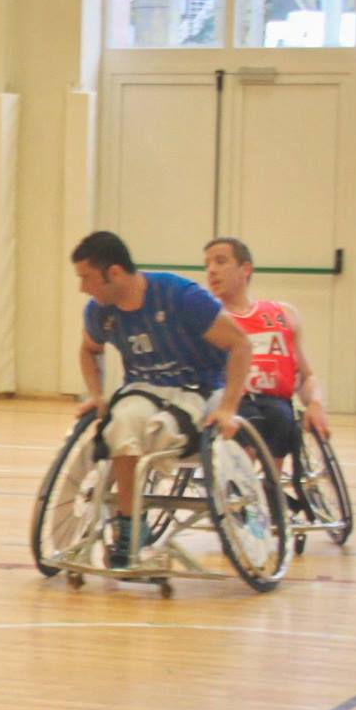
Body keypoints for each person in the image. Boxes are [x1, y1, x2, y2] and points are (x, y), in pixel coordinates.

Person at [72, 230, 253, 567]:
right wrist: (96, 395)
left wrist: (228, 408)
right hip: (145, 389)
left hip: (197, 389)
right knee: (121, 424)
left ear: (113, 273)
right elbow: (89, 349)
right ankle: (130, 527)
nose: (83, 287)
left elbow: (241, 345)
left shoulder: (180, 297)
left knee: (161, 428)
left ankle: (133, 511)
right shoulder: (99, 312)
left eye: (87, 278)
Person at [201, 236, 331, 463]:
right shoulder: (205, 318)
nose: (211, 270)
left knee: (280, 420)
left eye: (220, 261)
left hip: (275, 404)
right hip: (229, 404)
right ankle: (242, 485)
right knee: (245, 423)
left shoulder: (283, 313)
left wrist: (316, 404)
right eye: (207, 265)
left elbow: (306, 376)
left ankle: (271, 490)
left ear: (245, 269)